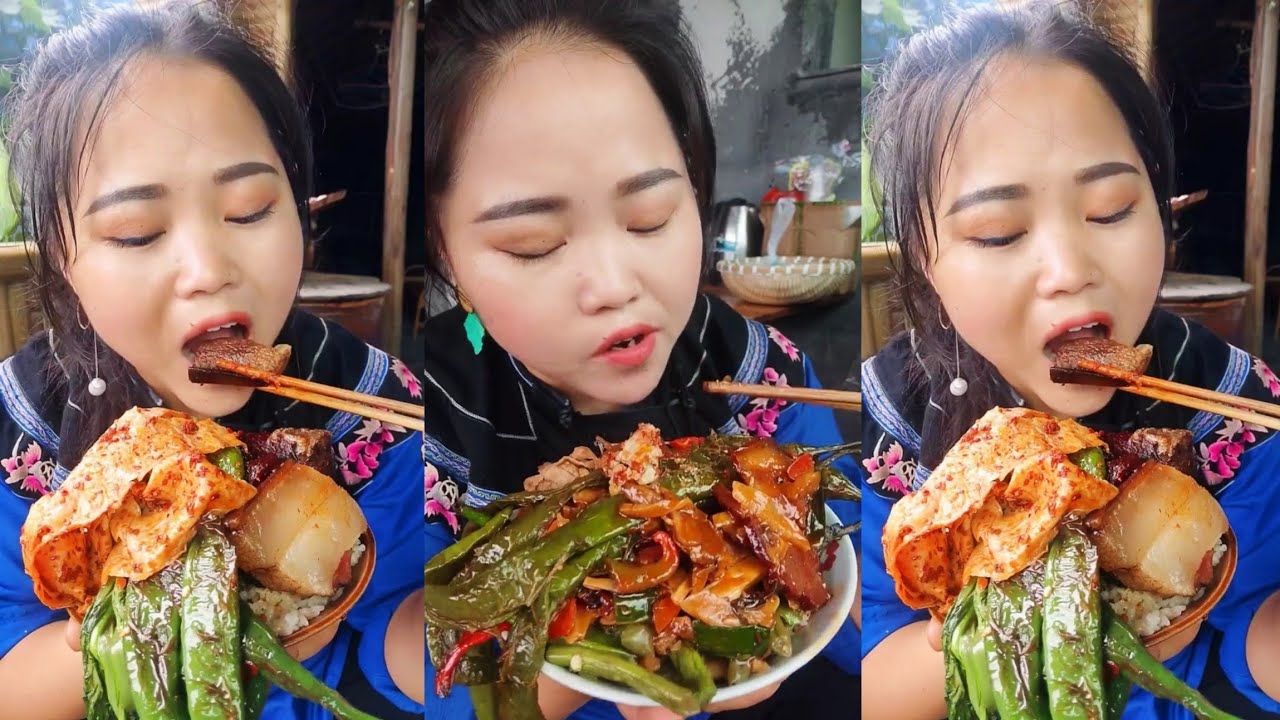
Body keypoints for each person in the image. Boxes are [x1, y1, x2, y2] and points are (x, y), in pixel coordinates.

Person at [419, 1, 860, 719]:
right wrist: (583, 672)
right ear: (444, 250)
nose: (616, 286)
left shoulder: (766, 373)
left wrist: (768, 626)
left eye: (649, 218)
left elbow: (844, 611)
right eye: (534, 243)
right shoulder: (426, 410)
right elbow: (409, 666)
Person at [0, 4, 424, 718]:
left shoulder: (374, 404)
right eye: (136, 233)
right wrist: (122, 620)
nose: (206, 270)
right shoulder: (23, 428)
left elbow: (406, 649)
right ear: (62, 256)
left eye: (250, 209)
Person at [860, 2, 1280, 718]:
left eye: (1112, 209)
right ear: (923, 257)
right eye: (997, 233)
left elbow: (1251, 648)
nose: (1068, 269)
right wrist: (985, 624)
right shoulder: (890, 421)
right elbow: (864, 680)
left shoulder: (1236, 405)